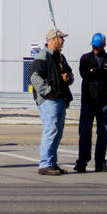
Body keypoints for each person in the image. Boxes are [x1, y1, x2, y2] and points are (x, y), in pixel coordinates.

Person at [31, 28, 75, 175]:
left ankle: (52, 163)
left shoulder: (60, 57)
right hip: (49, 100)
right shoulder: (42, 56)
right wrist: (48, 92)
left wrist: (68, 78)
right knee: (50, 130)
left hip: (60, 98)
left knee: (58, 132)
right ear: (53, 40)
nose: (63, 41)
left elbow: (70, 74)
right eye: (61, 38)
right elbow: (35, 78)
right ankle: (44, 164)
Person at [75, 32, 107, 173]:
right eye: (94, 46)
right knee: (85, 133)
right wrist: (99, 72)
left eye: (98, 46)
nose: (95, 49)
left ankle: (100, 162)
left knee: (103, 133)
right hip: (88, 102)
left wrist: (96, 72)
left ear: (104, 45)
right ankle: (82, 161)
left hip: (104, 102)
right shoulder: (85, 59)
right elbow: (85, 74)